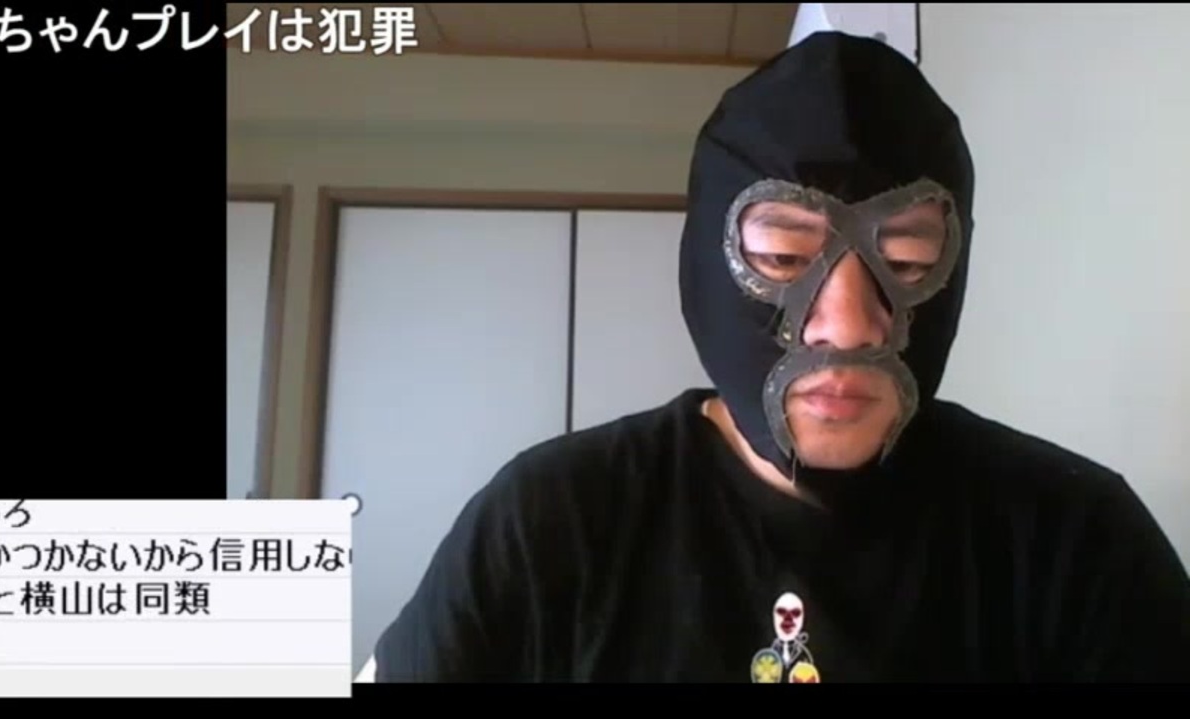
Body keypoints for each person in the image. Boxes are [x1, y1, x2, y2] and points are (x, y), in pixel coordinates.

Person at [371, 31, 1190, 683]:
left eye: (907, 259)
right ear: (708, 260)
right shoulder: (547, 524)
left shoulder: (1078, 543)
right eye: (784, 255)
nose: (849, 325)